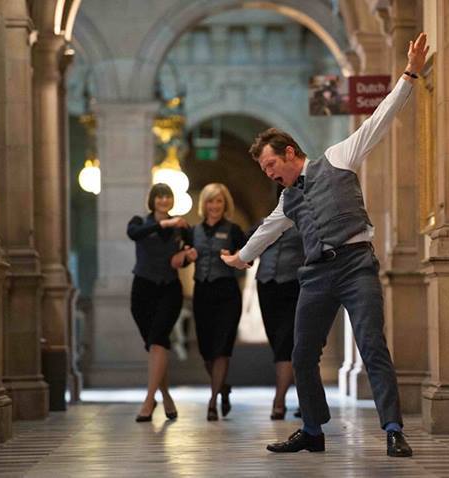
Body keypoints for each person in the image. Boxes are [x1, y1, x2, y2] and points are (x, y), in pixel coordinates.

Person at [222, 32, 429, 457]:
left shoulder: (339, 157)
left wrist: (409, 73)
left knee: (372, 346)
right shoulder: (287, 200)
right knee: (301, 354)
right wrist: (242, 258)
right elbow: (267, 229)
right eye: (263, 170)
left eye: (271, 165)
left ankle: (393, 428)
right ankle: (312, 431)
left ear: (290, 152)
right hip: (316, 274)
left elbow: (378, 120)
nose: (269, 174)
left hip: (356, 266)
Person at [179, 183, 247, 421]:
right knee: (207, 351)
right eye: (210, 201)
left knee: (222, 350)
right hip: (203, 294)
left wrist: (233, 260)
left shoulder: (234, 230)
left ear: (224, 204)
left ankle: (212, 400)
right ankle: (222, 387)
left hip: (227, 294)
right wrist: (187, 257)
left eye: (218, 201)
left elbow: (245, 265)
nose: (214, 206)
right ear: (204, 204)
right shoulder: (192, 231)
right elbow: (182, 261)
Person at [127, 183, 189, 422]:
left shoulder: (182, 226)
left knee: (158, 340)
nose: (164, 200)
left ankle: (148, 400)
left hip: (169, 290)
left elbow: (188, 252)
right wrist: (165, 223)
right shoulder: (139, 223)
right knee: (153, 346)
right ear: (152, 200)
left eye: (167, 196)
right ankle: (165, 395)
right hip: (142, 290)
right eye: (159, 196)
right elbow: (134, 235)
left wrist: (185, 257)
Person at [249, 212, 305, 420]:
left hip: (295, 284)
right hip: (266, 285)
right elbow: (249, 243)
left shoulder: (305, 221)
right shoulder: (265, 221)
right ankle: (304, 398)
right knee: (276, 339)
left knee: (288, 341)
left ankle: (279, 400)